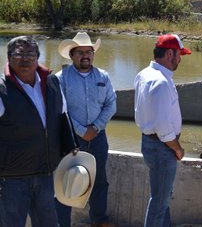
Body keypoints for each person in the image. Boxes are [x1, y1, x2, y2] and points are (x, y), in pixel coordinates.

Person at [0, 36, 69, 227]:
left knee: (48, 223)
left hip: (45, 173)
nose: (25, 59)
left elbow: (62, 116)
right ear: (9, 58)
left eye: (30, 54)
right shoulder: (2, 90)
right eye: (18, 54)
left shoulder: (53, 83)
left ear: (38, 57)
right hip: (11, 178)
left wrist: (70, 148)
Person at [55, 32, 117, 227]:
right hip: (70, 139)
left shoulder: (103, 77)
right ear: (72, 55)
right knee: (66, 181)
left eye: (89, 51)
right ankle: (62, 223)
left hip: (98, 138)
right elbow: (60, 111)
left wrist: (96, 127)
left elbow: (111, 105)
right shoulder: (61, 78)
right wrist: (82, 131)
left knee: (99, 181)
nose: (85, 55)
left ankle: (99, 221)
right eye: (80, 52)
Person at [134, 34, 191, 227]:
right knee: (159, 203)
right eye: (179, 54)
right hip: (162, 147)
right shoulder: (161, 82)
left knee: (162, 197)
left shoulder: (144, 74)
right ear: (169, 54)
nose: (180, 59)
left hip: (150, 143)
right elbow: (164, 129)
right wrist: (178, 148)